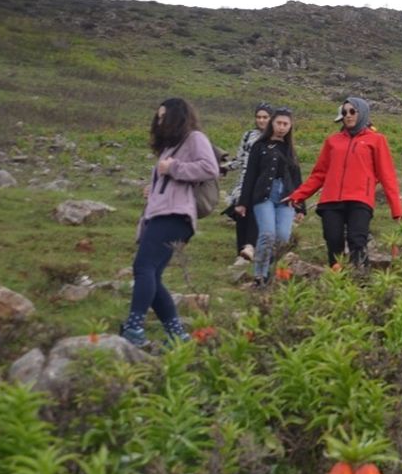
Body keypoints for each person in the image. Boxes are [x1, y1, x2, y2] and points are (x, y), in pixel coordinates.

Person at [120, 98, 220, 348]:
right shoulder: (169, 147)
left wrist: (173, 168)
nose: (159, 121)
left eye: (163, 116)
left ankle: (134, 327)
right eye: (158, 117)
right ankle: (177, 335)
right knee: (152, 274)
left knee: (143, 267)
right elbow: (169, 180)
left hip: (175, 215)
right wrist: (153, 189)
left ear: (177, 116)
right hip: (162, 213)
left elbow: (210, 168)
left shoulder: (195, 138)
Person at [287, 97, 402, 268]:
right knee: (333, 240)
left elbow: (387, 176)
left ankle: (359, 279)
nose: (347, 116)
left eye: (352, 111)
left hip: (360, 199)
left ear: (362, 113)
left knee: (357, 239)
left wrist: (397, 209)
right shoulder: (332, 141)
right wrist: (297, 196)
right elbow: (319, 174)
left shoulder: (376, 140)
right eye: (344, 112)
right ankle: (337, 280)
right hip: (331, 200)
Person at [234, 108, 305, 285]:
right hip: (264, 195)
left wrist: (300, 205)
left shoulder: (290, 149)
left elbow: (297, 178)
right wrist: (243, 202)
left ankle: (272, 270)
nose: (281, 127)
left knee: (282, 237)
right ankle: (260, 276)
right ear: (272, 123)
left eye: (285, 124)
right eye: (278, 123)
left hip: (286, 197)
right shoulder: (260, 146)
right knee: (267, 234)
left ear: (290, 126)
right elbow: (250, 174)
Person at [225, 103, 270, 264]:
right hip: (244, 180)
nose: (261, 120)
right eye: (259, 117)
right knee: (241, 213)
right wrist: (224, 168)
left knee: (254, 213)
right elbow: (240, 158)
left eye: (265, 117)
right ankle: (241, 252)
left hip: (263, 181)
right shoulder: (248, 135)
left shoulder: (275, 136)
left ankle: (251, 248)